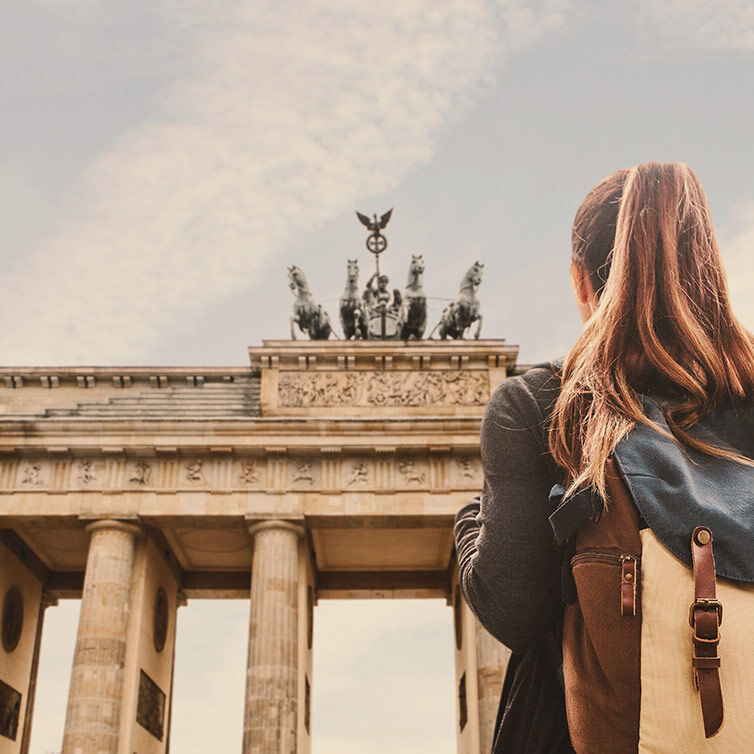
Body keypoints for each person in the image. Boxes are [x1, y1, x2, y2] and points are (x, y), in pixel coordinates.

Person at [454, 162, 754, 753]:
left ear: (579, 279)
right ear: (707, 266)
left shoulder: (543, 407)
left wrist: (469, 523)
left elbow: (514, 610)